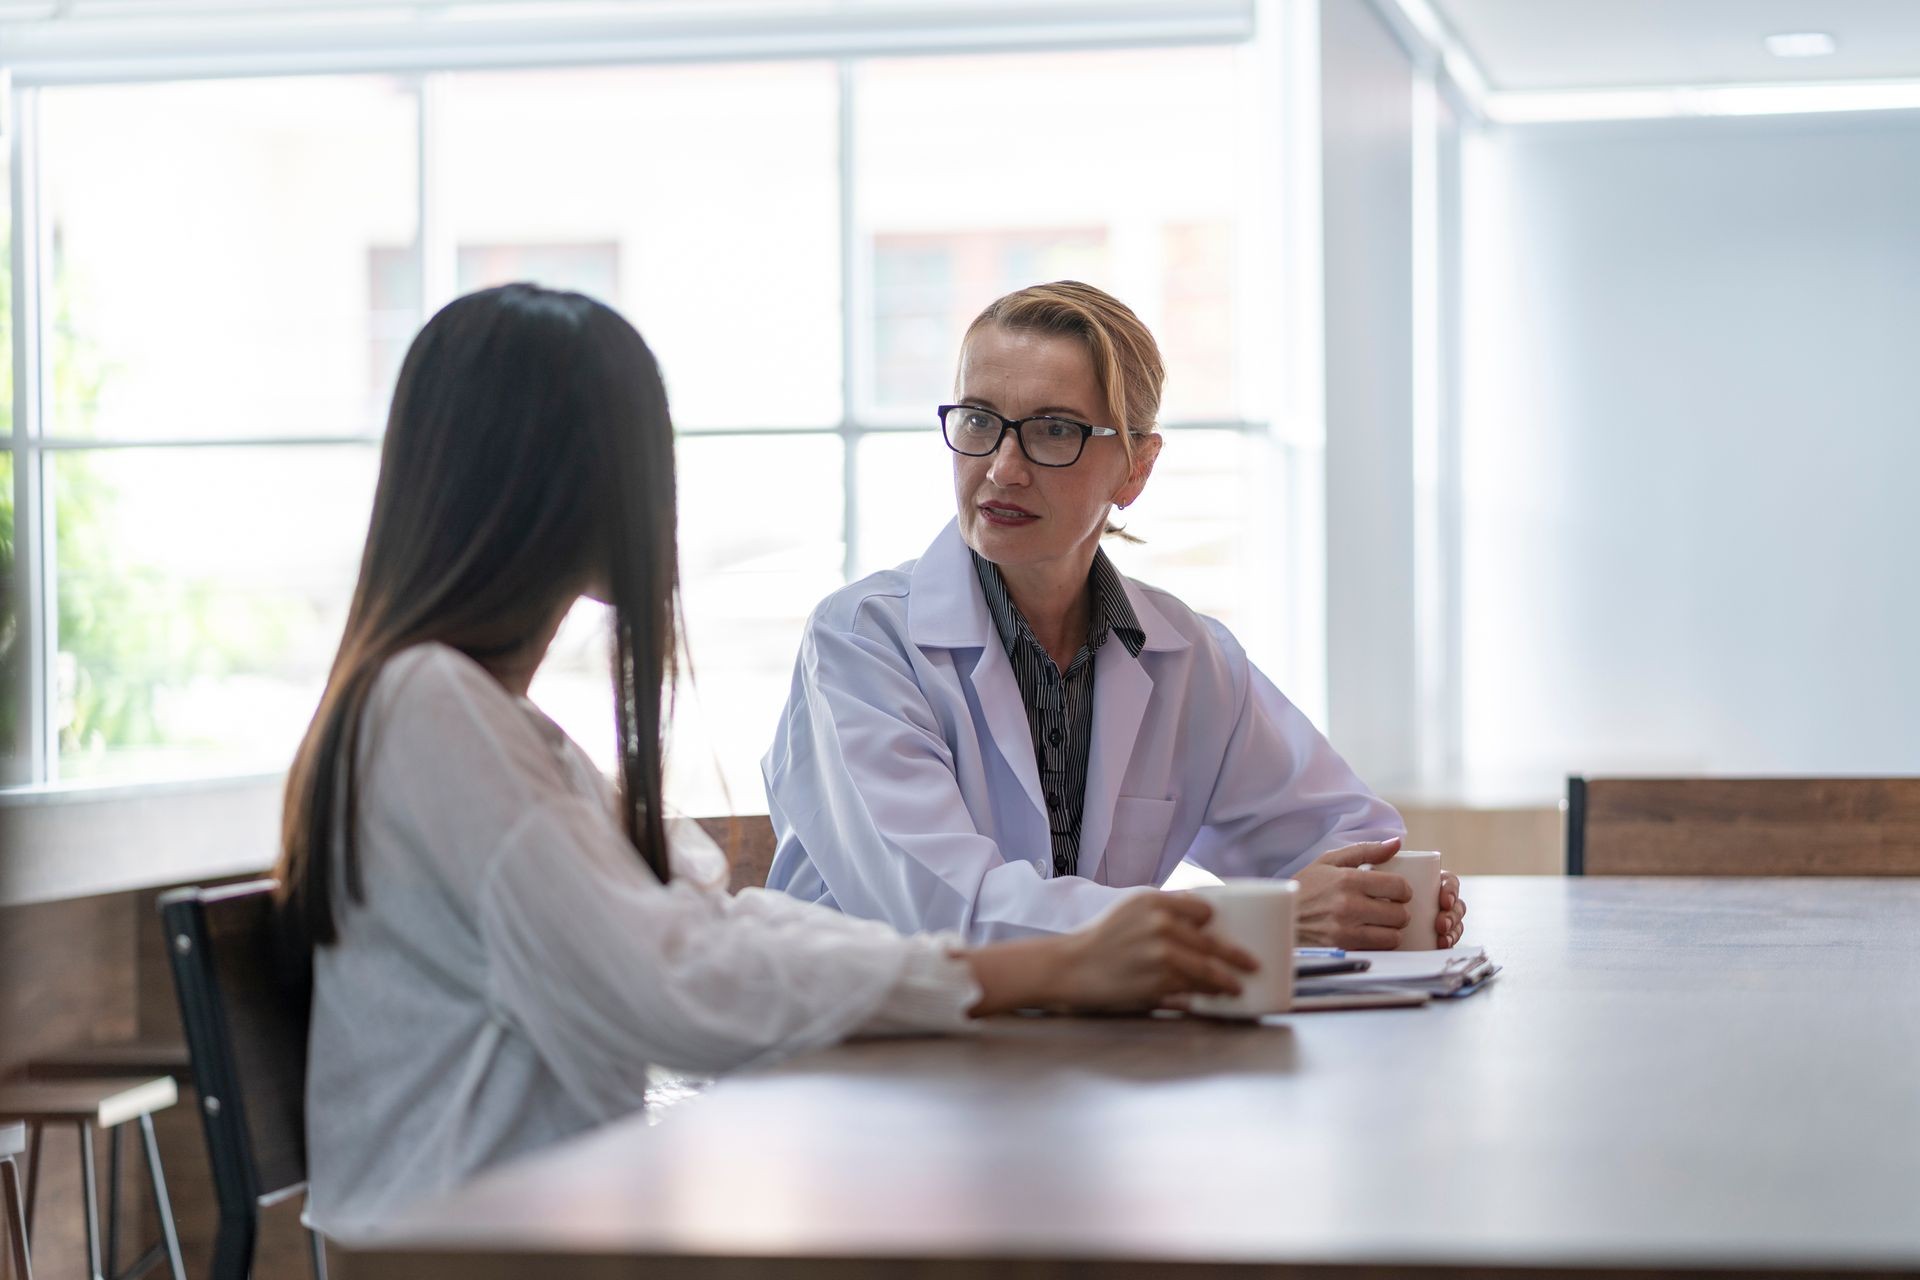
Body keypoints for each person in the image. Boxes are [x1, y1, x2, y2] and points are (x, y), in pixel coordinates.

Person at [275, 284, 1258, 1238]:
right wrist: (1038, 964)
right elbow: (675, 983)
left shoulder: (480, 720)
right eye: (639, 458)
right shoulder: (431, 711)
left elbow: (704, 931)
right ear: (535, 480)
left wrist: (1027, 963)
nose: (662, 499)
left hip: (541, 1219)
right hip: (480, 1246)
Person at [764, 281, 1466, 948]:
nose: (1003, 467)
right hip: (873, 1058)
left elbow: (1348, 841)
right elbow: (949, 917)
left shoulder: (1188, 655)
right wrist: (1266, 918)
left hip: (1090, 1055)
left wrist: (1390, 895)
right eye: (979, 420)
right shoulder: (862, 642)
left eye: (1053, 431)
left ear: (1136, 468)